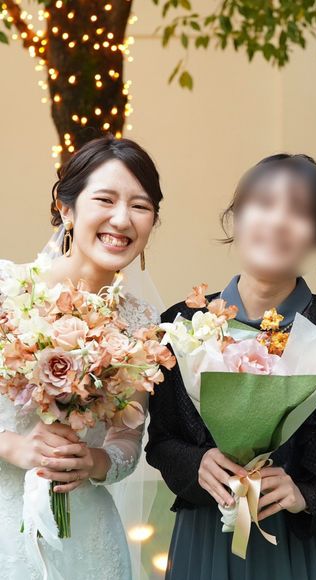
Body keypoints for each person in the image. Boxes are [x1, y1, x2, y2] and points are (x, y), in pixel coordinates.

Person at [146, 153, 316, 579]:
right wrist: (197, 463)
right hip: (207, 537)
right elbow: (160, 441)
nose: (279, 221)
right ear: (236, 217)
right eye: (264, 203)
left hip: (305, 546)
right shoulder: (182, 324)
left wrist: (308, 494)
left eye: (300, 211)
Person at [0, 136, 165, 579]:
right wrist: (13, 446)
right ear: (66, 207)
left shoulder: (141, 323)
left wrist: (95, 461)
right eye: (105, 200)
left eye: (140, 206)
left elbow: (127, 439)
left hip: (87, 537)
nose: (121, 219)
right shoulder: (7, 290)